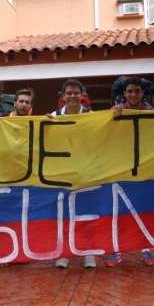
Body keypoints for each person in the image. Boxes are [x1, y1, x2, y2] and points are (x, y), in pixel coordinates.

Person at [105, 77, 154, 267]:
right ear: (124, 93)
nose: (133, 94)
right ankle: (116, 249)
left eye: (136, 91)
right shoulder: (116, 109)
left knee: (142, 207)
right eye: (129, 91)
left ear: (142, 93)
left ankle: (145, 248)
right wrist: (112, 116)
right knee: (118, 208)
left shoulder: (151, 112)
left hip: (144, 166)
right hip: (120, 166)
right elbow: (103, 129)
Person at [48, 79, 96, 269]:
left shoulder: (92, 116)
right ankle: (63, 253)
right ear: (63, 96)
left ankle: (89, 253)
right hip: (63, 173)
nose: (73, 96)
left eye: (76, 93)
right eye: (69, 93)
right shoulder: (54, 116)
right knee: (64, 215)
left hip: (86, 172)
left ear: (82, 95)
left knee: (87, 214)